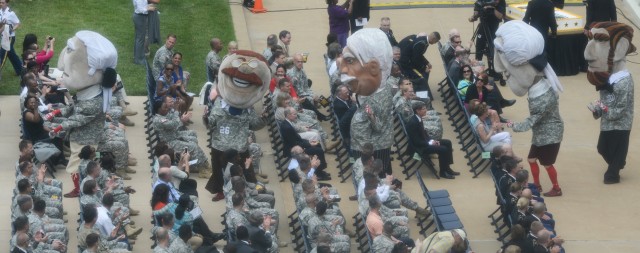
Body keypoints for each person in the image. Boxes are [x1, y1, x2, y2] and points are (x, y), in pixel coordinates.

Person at [495, 21, 564, 197]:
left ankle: (556, 188)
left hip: (550, 134)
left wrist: (512, 125)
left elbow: (531, 121)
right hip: (542, 133)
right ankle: (538, 185)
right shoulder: (542, 87)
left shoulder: (543, 98)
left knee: (547, 164)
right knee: (531, 159)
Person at [584, 22, 635, 184]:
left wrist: (604, 109)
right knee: (602, 148)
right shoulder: (606, 77)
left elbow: (620, 109)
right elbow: (605, 101)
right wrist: (597, 110)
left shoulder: (625, 81)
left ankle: (614, 170)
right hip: (607, 122)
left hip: (621, 124)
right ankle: (618, 163)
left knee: (613, 165)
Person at [339, 28, 395, 175]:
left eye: (350, 61)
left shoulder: (379, 98)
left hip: (376, 148)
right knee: (362, 175)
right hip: (362, 146)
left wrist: (370, 115)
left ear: (373, 67)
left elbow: (379, 126)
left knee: (378, 176)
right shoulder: (368, 92)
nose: (343, 68)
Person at [406, 101, 458, 179]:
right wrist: (430, 143)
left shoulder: (418, 119)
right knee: (443, 149)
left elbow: (425, 134)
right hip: (419, 147)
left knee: (447, 142)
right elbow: (417, 142)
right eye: (423, 109)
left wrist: (432, 140)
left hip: (425, 142)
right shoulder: (413, 123)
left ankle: (447, 168)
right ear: (417, 110)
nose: (426, 110)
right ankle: (443, 172)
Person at [280, 107, 330, 180]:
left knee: (318, 145)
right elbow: (294, 143)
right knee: (318, 150)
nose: (296, 116)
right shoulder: (287, 127)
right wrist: (309, 144)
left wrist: (309, 142)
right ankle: (318, 171)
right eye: (294, 114)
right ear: (288, 115)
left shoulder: (288, 123)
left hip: (297, 145)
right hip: (294, 150)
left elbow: (297, 138)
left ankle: (319, 170)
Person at [468, 0, 505, 84]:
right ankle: (477, 72)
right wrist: (474, 16)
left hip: (493, 30)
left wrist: (492, 6)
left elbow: (499, 16)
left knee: (492, 51)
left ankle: (494, 71)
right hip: (482, 27)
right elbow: (475, 14)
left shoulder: (500, 1)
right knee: (479, 49)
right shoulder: (481, 1)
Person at [397, 32, 441, 96]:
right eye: (435, 41)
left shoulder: (424, 41)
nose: (434, 43)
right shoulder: (421, 43)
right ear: (433, 39)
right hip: (406, 64)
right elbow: (416, 59)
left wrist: (427, 63)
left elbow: (419, 55)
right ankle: (420, 95)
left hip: (410, 61)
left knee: (425, 73)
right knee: (422, 77)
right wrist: (423, 68)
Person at [0, 0, 22, 76]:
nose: (1, 4)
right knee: (11, 54)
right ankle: (21, 70)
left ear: (7, 3)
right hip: (2, 37)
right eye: (0, 2)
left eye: (3, 3)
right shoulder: (0, 12)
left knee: (2, 55)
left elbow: (18, 23)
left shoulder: (10, 13)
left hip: (9, 38)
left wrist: (12, 29)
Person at [132, 0, 156, 64]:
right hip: (140, 17)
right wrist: (149, 8)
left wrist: (148, 6)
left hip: (139, 16)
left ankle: (137, 57)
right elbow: (140, 9)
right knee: (140, 39)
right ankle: (139, 60)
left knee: (138, 38)